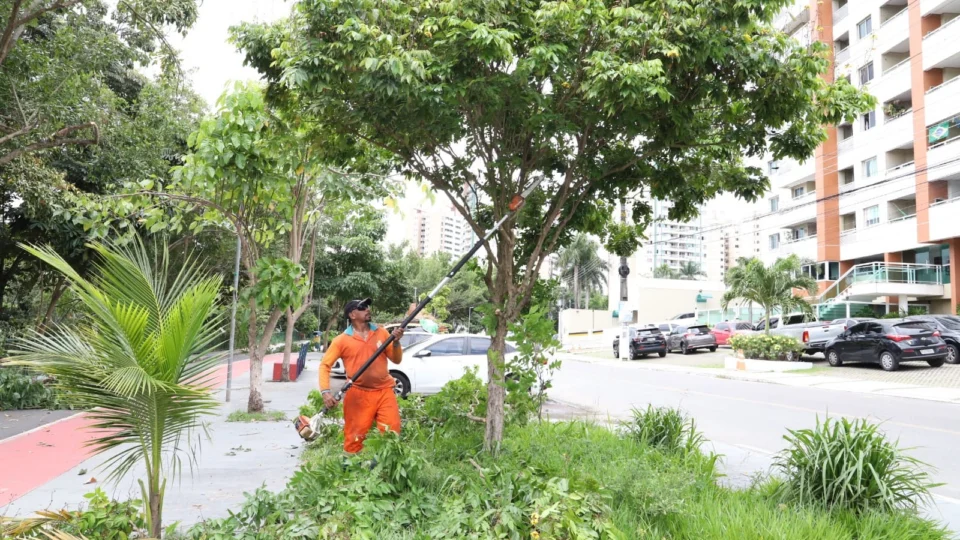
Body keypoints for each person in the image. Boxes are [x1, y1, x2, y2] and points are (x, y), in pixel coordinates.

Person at [319, 298, 404, 453]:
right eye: (362, 307)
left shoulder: (381, 332)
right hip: (358, 394)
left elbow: (396, 360)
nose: (367, 309)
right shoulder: (341, 340)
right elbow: (325, 365)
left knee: (391, 433)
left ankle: (383, 470)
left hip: (384, 391)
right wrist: (325, 392)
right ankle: (351, 472)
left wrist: (397, 342)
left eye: (367, 307)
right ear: (352, 314)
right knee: (354, 438)